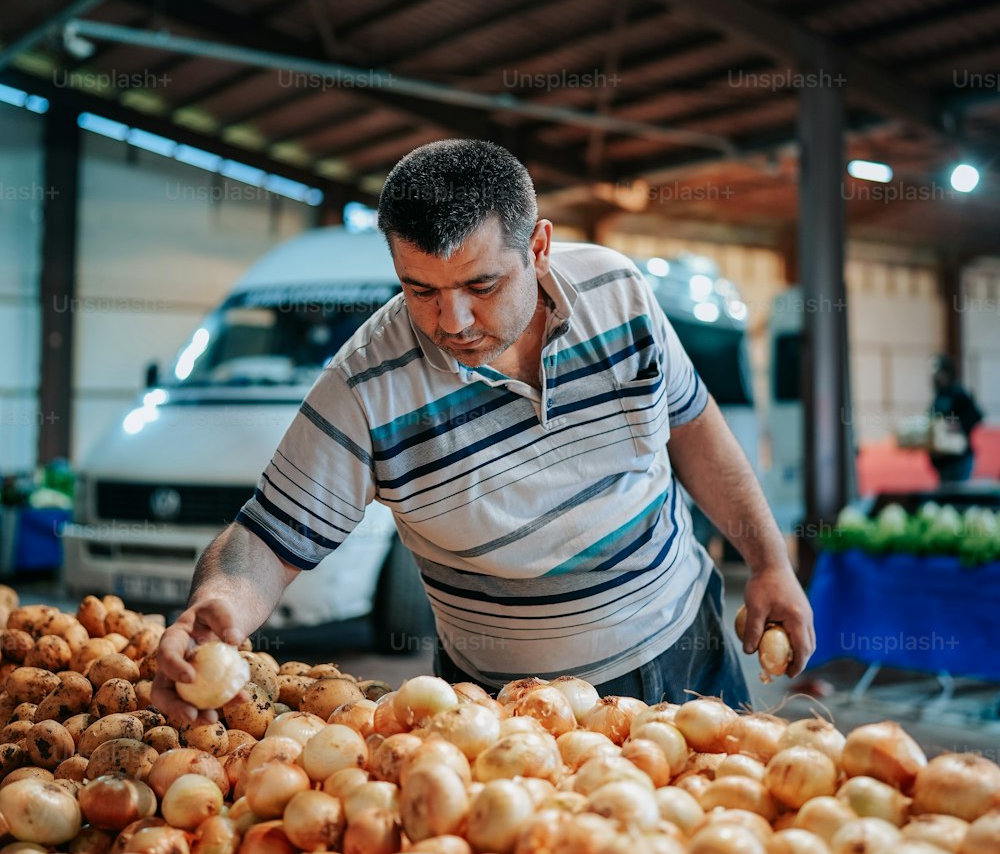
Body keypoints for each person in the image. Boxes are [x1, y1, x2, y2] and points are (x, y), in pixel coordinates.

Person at [153, 140, 815, 725]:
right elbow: (265, 538)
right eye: (420, 291)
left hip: (689, 652)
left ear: (539, 247)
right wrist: (220, 606)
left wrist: (769, 562)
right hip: (504, 717)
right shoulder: (365, 386)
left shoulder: (620, 293)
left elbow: (693, 426)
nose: (453, 320)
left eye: (482, 284)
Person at [929, 353, 983, 484]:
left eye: (938, 373)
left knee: (957, 499)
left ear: (947, 372)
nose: (935, 377)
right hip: (942, 460)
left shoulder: (958, 393)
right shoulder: (939, 395)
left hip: (958, 459)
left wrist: (958, 425)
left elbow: (976, 415)